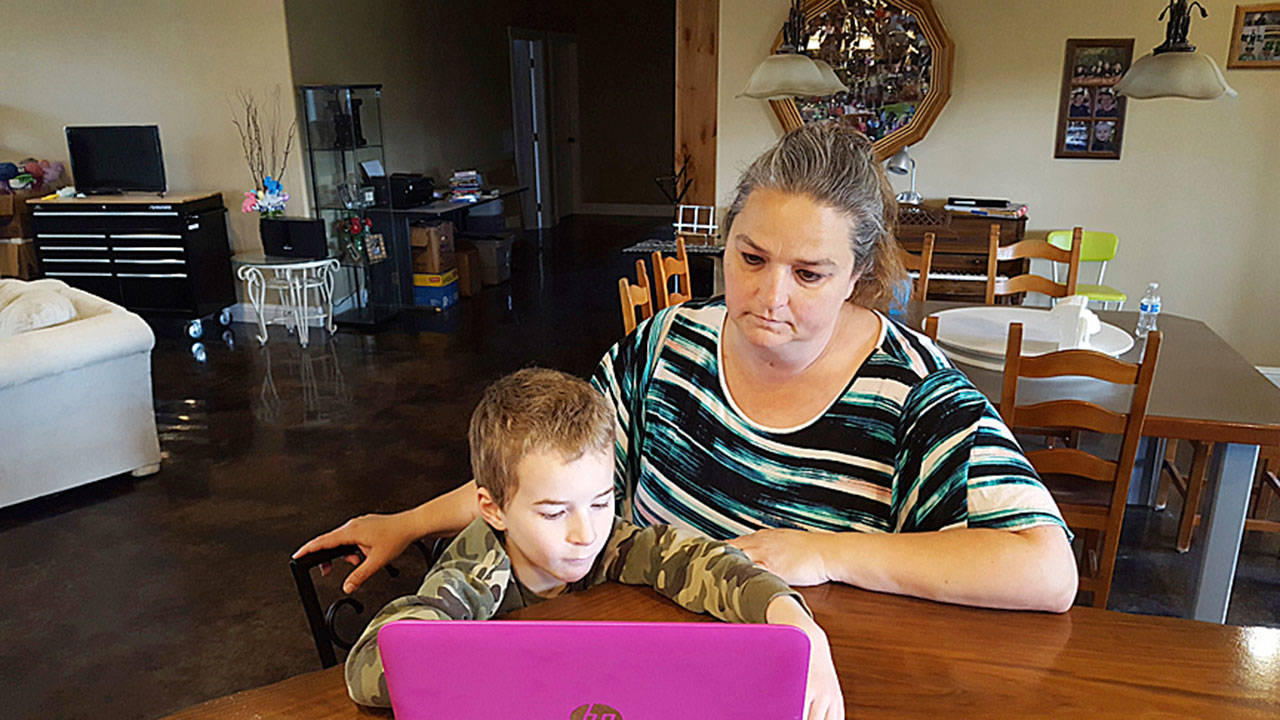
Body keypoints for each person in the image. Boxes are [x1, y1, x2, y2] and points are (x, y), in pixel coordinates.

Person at [297, 122, 1078, 621]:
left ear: (860, 277)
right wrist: (404, 523)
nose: (768, 298)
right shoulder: (665, 345)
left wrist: (828, 549)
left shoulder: (917, 396)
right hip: (633, 649)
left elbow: (1047, 572)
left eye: (809, 274)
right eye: (750, 258)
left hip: (808, 672)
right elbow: (545, 478)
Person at [343, 368, 843, 719]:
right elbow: (369, 668)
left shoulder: (610, 542)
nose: (586, 533)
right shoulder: (475, 572)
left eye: (602, 503)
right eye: (555, 512)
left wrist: (798, 625)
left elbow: (700, 562)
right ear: (492, 508)